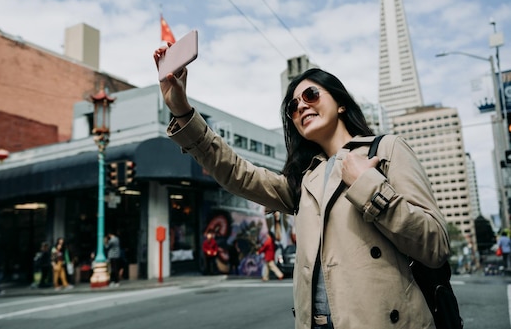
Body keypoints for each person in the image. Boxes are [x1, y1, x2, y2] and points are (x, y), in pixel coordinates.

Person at [153, 53, 450, 329]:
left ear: (341, 103)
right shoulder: (304, 179)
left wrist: (368, 187)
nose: (301, 106)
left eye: (311, 95)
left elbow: (435, 245)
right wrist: (181, 110)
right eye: (293, 107)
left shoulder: (387, 149)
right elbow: (235, 172)